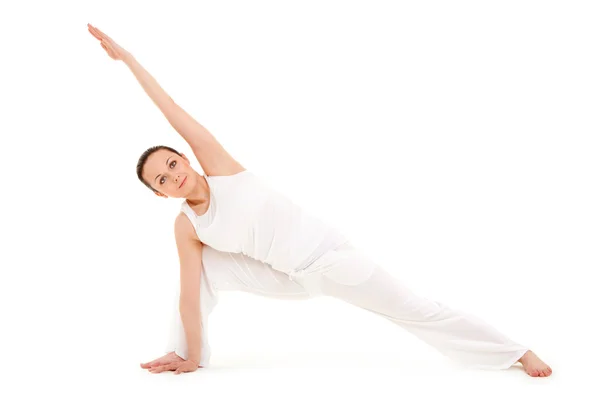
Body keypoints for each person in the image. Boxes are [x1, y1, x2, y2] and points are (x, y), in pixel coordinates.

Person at [88, 24, 553, 378]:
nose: (174, 175)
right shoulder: (186, 226)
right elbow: (191, 292)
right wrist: (190, 354)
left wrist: (128, 60)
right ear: (158, 194)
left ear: (185, 157)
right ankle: (188, 354)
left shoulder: (222, 169)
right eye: (162, 180)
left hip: (331, 261)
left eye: (172, 164)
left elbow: (171, 107)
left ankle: (515, 352)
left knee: (417, 310)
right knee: (200, 274)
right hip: (289, 278)